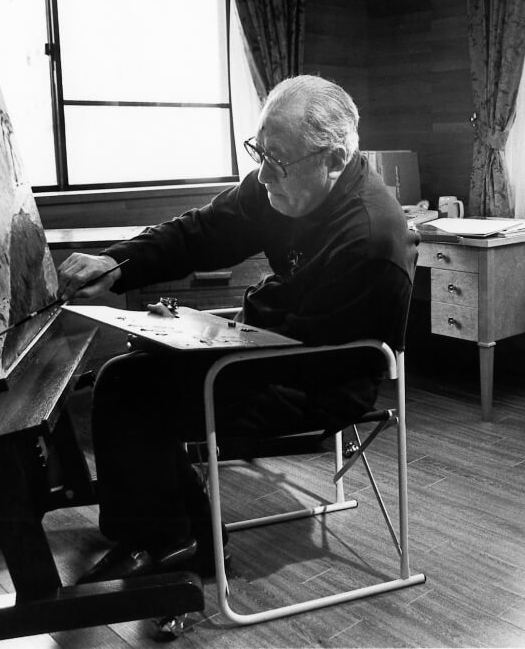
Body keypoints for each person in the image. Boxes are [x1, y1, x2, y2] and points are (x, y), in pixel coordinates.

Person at [56, 75, 419, 583]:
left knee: (130, 388)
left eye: (277, 161)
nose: (264, 174)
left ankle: (176, 541)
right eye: (260, 152)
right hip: (272, 348)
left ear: (334, 160)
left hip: (321, 380)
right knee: (128, 376)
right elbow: (203, 230)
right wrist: (118, 265)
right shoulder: (287, 181)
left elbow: (317, 355)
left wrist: (198, 342)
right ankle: (161, 533)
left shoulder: (369, 238)